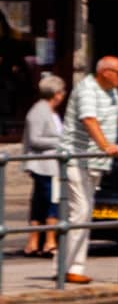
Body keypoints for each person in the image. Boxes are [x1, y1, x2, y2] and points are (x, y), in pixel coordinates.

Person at [54, 54, 118, 284]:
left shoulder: (111, 91)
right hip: (76, 158)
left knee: (83, 212)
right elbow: (89, 120)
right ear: (104, 72)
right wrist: (105, 145)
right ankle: (71, 268)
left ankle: (65, 265)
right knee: (80, 212)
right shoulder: (87, 89)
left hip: (95, 161)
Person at [22, 72, 64, 261]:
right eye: (62, 91)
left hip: (49, 164)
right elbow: (35, 139)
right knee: (51, 202)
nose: (63, 95)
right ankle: (49, 241)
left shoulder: (51, 112)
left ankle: (34, 242)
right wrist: (61, 141)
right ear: (55, 93)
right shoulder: (39, 111)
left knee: (40, 202)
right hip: (44, 165)